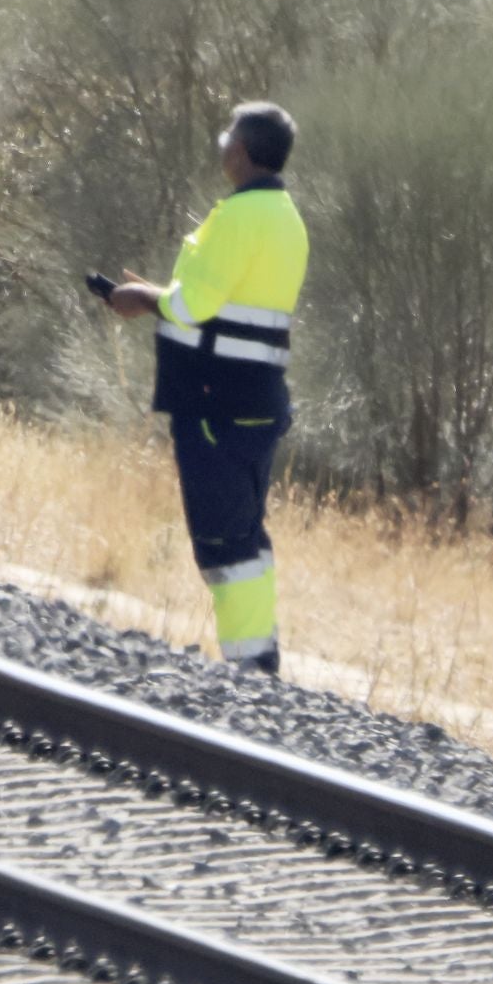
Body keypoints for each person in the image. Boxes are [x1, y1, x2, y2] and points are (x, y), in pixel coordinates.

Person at [102, 102, 309, 676]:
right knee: (246, 537)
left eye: (227, 136)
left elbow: (192, 306)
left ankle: (249, 676)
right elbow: (221, 303)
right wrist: (163, 292)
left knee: (224, 544)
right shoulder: (285, 216)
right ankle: (259, 663)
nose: (222, 143)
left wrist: (144, 299)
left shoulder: (238, 217)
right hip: (255, 400)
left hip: (217, 403)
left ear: (240, 152)